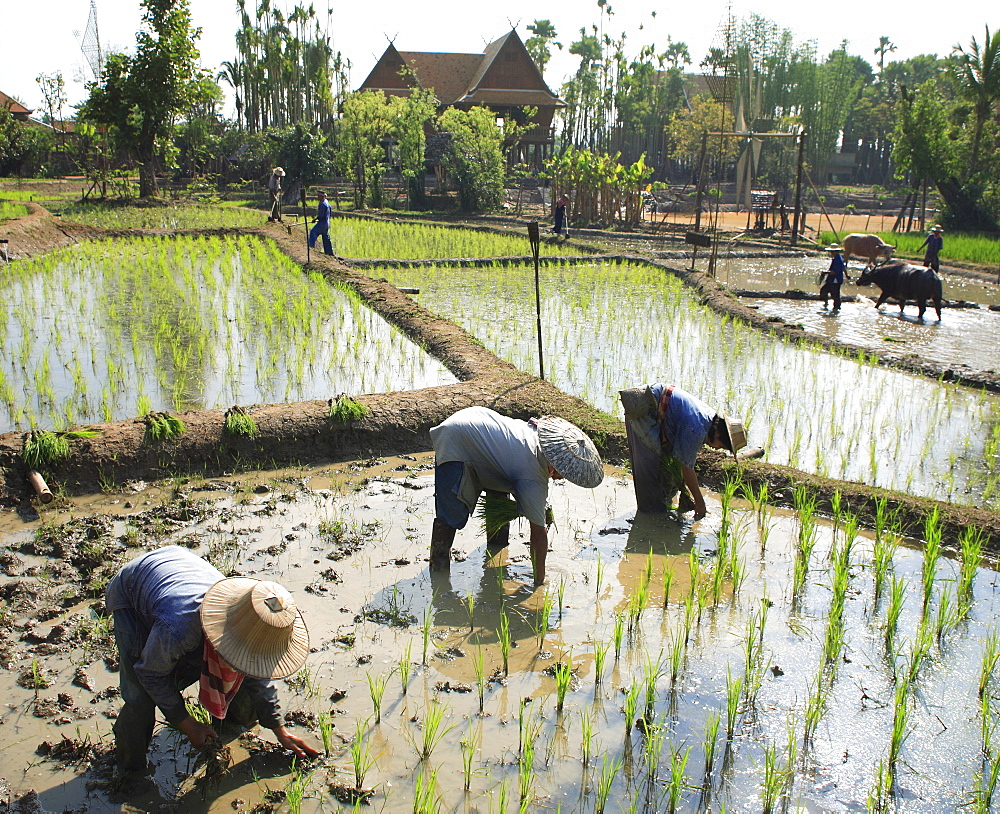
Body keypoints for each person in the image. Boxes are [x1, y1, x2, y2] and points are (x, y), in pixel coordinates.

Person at [105, 546, 319, 777]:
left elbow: (257, 672)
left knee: (240, 670)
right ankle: (130, 772)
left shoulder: (252, 621)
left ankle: (231, 727)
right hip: (134, 590)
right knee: (141, 696)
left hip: (181, 572)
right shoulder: (179, 629)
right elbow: (149, 673)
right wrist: (187, 723)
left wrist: (279, 728)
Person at [428, 406, 603, 586]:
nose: (564, 477)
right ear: (557, 466)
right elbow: (538, 533)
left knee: (499, 492)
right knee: (452, 513)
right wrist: (539, 582)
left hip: (476, 420)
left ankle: (496, 550)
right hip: (456, 439)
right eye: (565, 473)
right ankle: (439, 577)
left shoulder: (538, 435)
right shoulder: (532, 475)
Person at [620, 385, 747, 519]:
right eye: (720, 446)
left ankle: (661, 506)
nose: (716, 449)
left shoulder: (709, 418)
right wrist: (700, 502)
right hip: (642, 408)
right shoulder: (696, 429)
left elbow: (681, 456)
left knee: (665, 471)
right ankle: (649, 518)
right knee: (648, 466)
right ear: (719, 434)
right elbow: (687, 468)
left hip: (659, 408)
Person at [820, 243, 849, 312]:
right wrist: (846, 275)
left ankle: (836, 308)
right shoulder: (837, 258)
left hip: (835, 280)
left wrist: (825, 272)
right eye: (831, 251)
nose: (831, 253)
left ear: (836, 251)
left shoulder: (838, 260)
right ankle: (827, 304)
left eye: (832, 251)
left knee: (835, 295)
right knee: (824, 291)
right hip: (832, 279)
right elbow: (843, 267)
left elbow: (834, 272)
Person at [309, 190, 334, 255]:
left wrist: (316, 219)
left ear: (321, 196)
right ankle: (329, 251)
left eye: (318, 196)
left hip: (322, 223)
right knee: (325, 236)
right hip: (327, 223)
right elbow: (330, 213)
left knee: (313, 232)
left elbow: (321, 215)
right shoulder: (327, 203)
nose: (317, 198)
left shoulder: (322, 204)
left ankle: (311, 247)